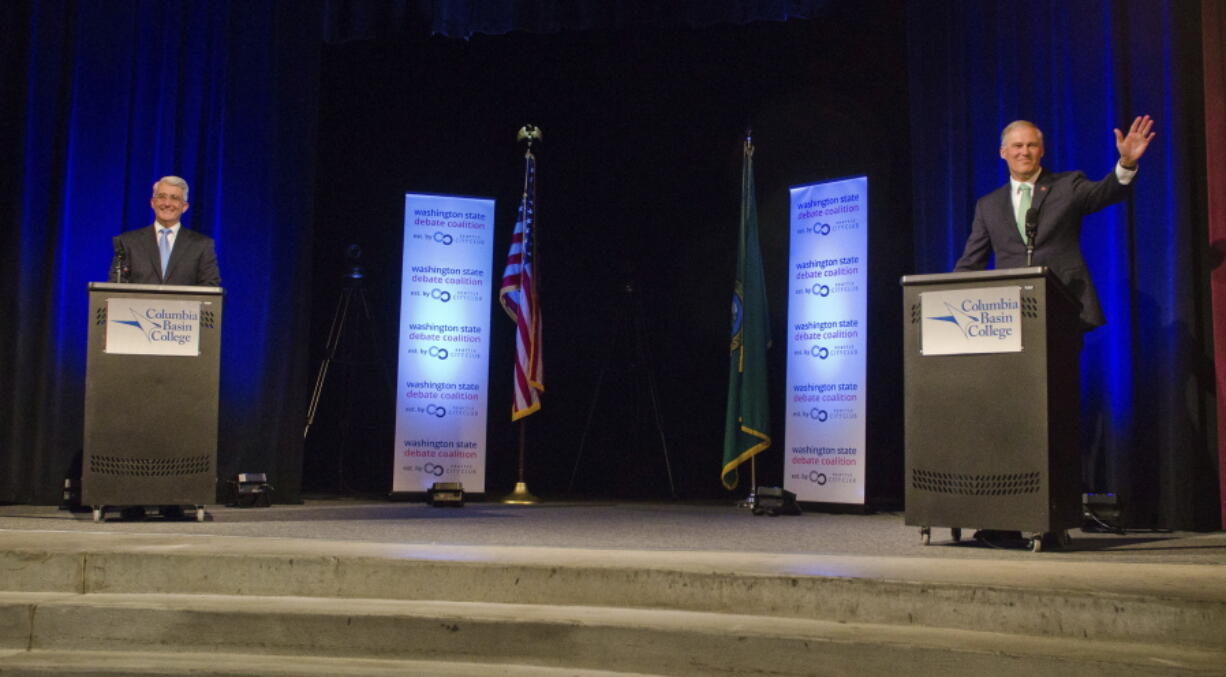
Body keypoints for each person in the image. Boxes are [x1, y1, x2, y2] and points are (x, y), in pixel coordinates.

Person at [954, 115, 1156, 330]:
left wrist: (1127, 163)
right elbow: (972, 261)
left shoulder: (1067, 186)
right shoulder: (988, 205)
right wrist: (948, 298)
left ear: (1042, 151)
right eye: (1017, 146)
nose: (1024, 152)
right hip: (1007, 313)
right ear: (1003, 152)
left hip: (1064, 303)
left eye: (1031, 145)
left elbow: (1105, 192)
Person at [110, 175, 222, 287]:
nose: (167, 203)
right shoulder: (128, 242)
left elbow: (210, 287)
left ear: (184, 207)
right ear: (153, 202)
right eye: (162, 197)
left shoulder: (201, 245)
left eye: (174, 198)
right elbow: (116, 286)